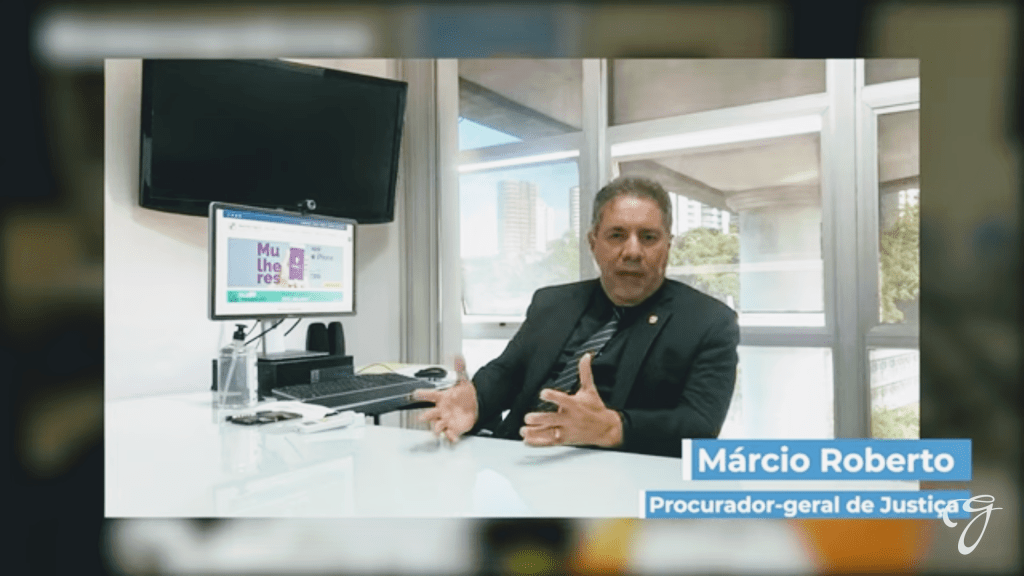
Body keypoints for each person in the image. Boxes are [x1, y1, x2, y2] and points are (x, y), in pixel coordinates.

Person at [413, 176, 739, 458]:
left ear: (668, 245)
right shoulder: (552, 302)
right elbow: (509, 372)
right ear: (593, 243)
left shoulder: (709, 322)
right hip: (516, 459)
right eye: (617, 235)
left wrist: (612, 428)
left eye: (649, 237)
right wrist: (476, 401)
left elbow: (700, 425)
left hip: (613, 476)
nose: (632, 251)